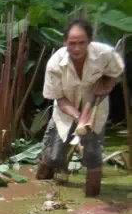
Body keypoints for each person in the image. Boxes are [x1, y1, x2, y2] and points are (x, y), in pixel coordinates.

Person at [36, 19, 124, 196]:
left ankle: (92, 196)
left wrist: (107, 84)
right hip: (65, 111)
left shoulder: (105, 54)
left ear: (89, 41)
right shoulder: (55, 64)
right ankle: (40, 182)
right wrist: (80, 119)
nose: (76, 48)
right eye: (72, 43)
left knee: (93, 157)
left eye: (81, 43)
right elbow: (59, 99)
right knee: (53, 155)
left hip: (96, 110)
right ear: (64, 43)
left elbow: (115, 72)